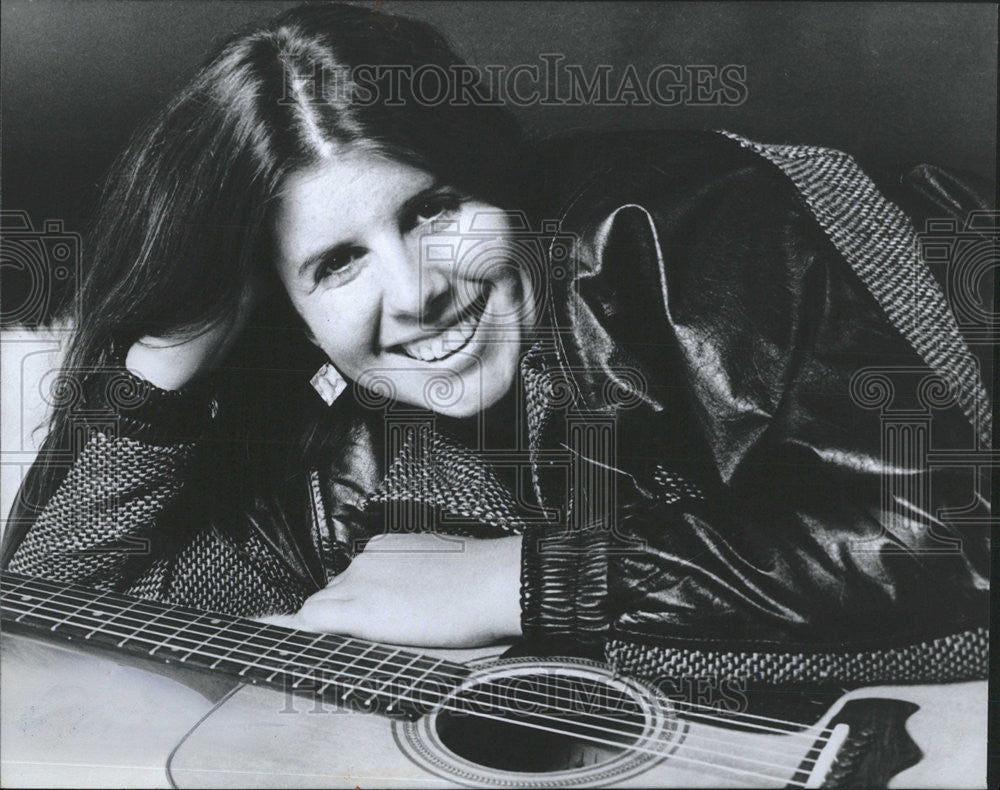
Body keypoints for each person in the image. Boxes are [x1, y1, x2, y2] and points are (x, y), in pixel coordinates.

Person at [2, 2, 990, 686]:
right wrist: (169, 353)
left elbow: (956, 543)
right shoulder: (342, 447)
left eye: (434, 210)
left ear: (500, 181)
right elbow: (62, 610)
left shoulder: (692, 231)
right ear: (284, 308)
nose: (419, 295)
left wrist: (523, 580)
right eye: (336, 264)